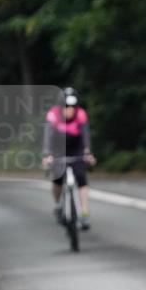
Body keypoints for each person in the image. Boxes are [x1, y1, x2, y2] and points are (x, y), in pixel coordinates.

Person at [41, 87, 97, 230]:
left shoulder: (81, 114)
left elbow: (85, 135)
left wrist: (87, 152)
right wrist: (47, 155)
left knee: (81, 177)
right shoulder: (53, 115)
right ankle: (59, 204)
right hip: (58, 148)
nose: (70, 110)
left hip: (76, 148)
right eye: (67, 107)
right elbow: (48, 136)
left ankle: (84, 213)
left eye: (73, 107)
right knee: (57, 179)